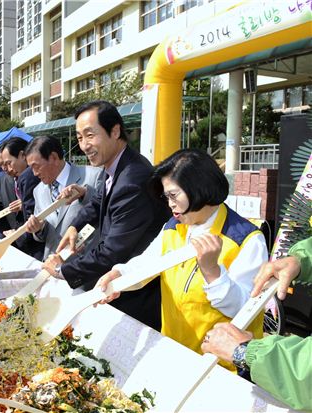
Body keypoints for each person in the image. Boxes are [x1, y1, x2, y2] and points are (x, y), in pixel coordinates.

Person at [96, 148, 269, 368]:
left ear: (199, 189)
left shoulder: (247, 240)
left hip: (219, 368)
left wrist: (213, 272)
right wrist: (120, 274)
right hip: (173, 352)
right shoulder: (174, 226)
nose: (169, 204)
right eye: (166, 196)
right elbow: (147, 263)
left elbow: (244, 310)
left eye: (174, 195)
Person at [43, 100, 169, 330]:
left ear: (115, 131)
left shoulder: (133, 179)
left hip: (135, 290)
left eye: (90, 135)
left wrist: (63, 269)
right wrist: (75, 226)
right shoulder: (114, 165)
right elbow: (98, 201)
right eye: (80, 138)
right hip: (115, 281)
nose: (84, 145)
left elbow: (112, 251)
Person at [201, 236, 311, 410]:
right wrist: (302, 259)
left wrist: (246, 352)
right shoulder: (172, 228)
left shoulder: (245, 238)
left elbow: (306, 376)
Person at [25, 135, 103, 258]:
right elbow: (45, 235)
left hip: (86, 263)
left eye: (36, 166)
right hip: (52, 264)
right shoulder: (38, 191)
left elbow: (105, 212)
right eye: (31, 169)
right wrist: (38, 229)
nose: (35, 173)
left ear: (54, 158)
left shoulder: (94, 176)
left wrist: (85, 194)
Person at [1, 136, 44, 260]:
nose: (8, 169)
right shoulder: (20, 177)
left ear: (22, 155)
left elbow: (31, 217)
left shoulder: (27, 177)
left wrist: (16, 235)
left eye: (9, 163)